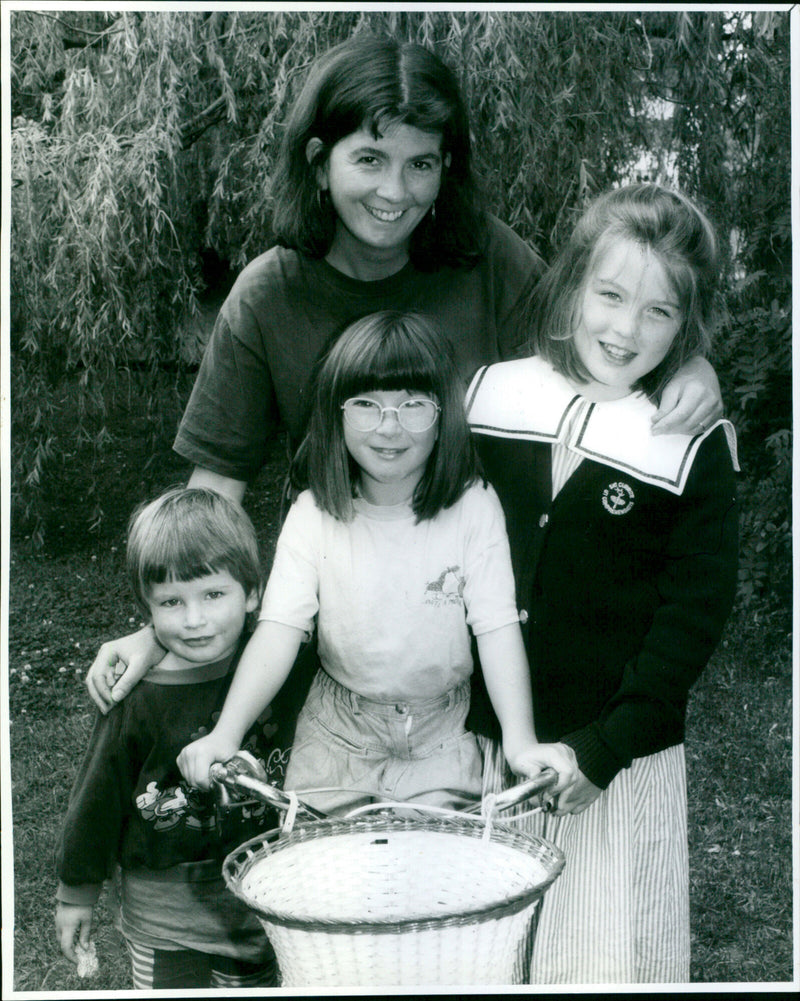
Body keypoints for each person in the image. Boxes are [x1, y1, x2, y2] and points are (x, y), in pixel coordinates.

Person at [84, 34, 724, 713]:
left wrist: (692, 364)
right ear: (318, 161)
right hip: (342, 630)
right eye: (369, 159)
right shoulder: (268, 294)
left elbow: (604, 342)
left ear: (447, 168)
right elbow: (215, 491)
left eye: (421, 163)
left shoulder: (488, 261)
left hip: (485, 622)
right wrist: (167, 623)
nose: (396, 191)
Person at [464, 183, 739, 984]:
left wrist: (603, 750)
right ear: (573, 281)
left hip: (611, 764)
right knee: (477, 950)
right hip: (483, 745)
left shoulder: (691, 444)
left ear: (686, 325)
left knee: (605, 956)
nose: (624, 328)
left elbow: (691, 621)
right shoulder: (491, 395)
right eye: (610, 295)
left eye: (658, 312)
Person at [177, 311, 578, 815]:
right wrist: (225, 734)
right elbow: (279, 630)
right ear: (336, 414)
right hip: (336, 733)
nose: (390, 427)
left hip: (444, 734)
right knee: (321, 880)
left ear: (444, 416)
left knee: (438, 884)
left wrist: (520, 743)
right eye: (366, 404)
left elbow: (497, 629)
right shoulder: (314, 515)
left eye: (413, 405)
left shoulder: (474, 507)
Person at [55, 488, 278, 990]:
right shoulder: (137, 695)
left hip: (262, 907)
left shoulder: (276, 666)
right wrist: (77, 894)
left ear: (253, 592)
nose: (194, 619)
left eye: (213, 595)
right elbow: (96, 800)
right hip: (166, 922)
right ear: (147, 609)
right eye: (171, 602)